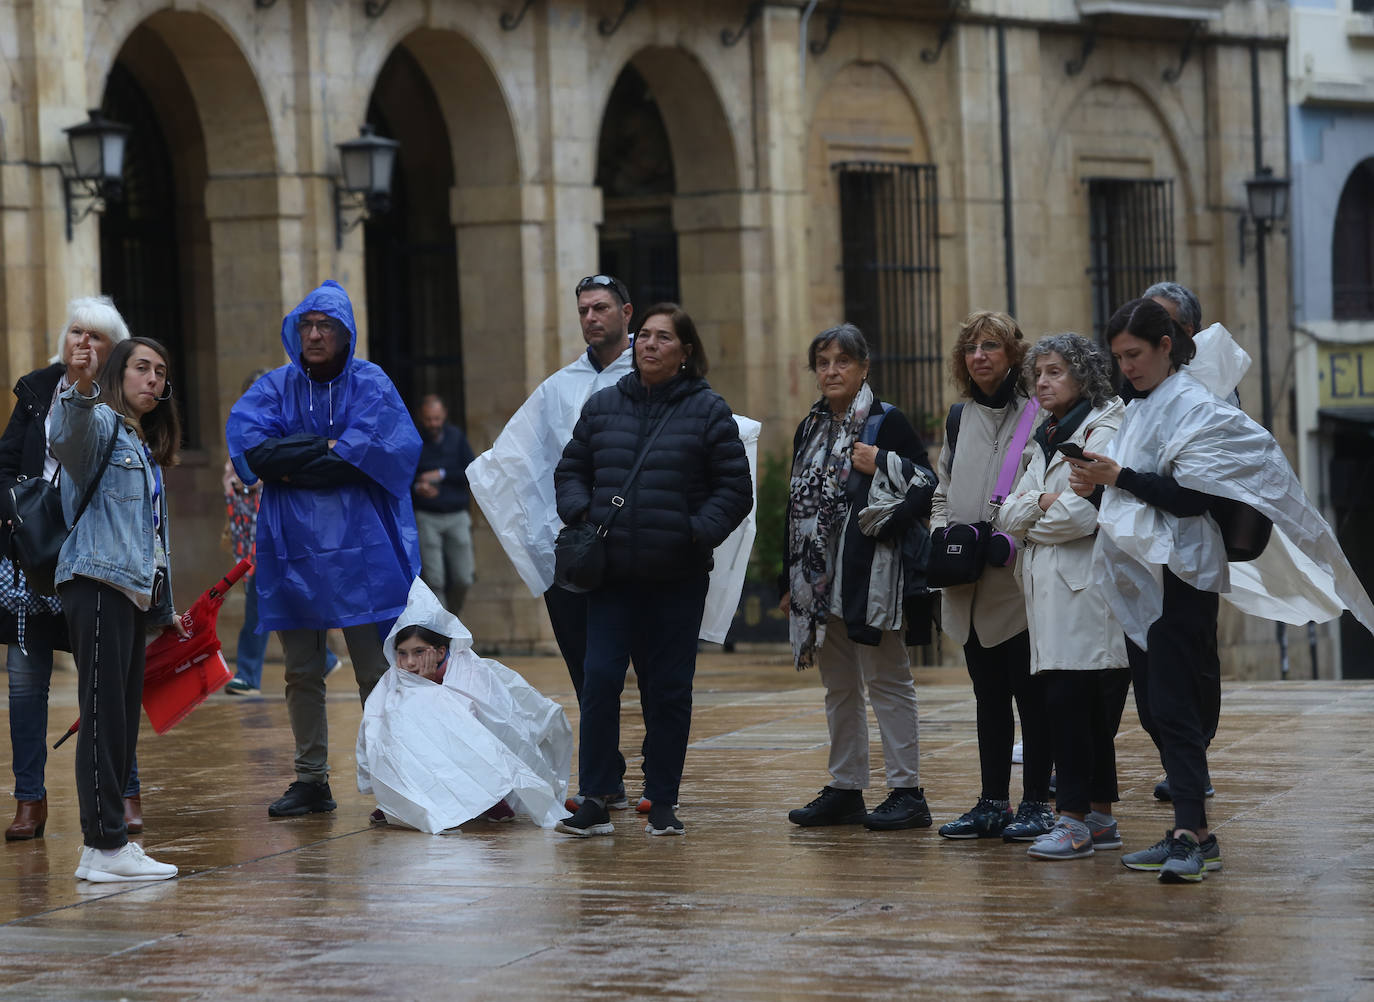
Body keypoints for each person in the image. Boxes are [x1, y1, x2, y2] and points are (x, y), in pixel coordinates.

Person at [1068, 298, 1374, 882]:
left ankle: (1192, 834)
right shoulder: (1141, 408)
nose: (1125, 367)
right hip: (1143, 580)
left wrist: (1118, 477)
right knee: (1158, 709)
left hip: (1181, 578)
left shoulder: (1194, 404)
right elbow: (1139, 498)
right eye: (1117, 358)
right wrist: (1097, 486)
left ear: (1165, 346)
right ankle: (1191, 831)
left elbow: (1193, 497)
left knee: (1177, 705)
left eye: (1134, 354)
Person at [553, 303, 751, 837]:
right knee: (598, 683)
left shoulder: (709, 411)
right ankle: (595, 796)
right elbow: (571, 469)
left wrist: (693, 533)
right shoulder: (601, 407)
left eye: (664, 338)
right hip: (611, 577)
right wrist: (580, 512)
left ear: (686, 352)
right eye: (644, 336)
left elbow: (735, 490)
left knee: (667, 690)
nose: (649, 344)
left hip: (675, 580)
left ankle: (662, 798)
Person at [226, 280, 422, 819]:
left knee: (373, 669)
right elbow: (255, 452)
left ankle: (393, 779)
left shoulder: (371, 383)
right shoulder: (275, 386)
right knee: (301, 669)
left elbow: (377, 454)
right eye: (306, 326)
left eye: (326, 326)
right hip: (291, 547)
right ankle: (311, 779)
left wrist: (297, 458)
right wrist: (329, 447)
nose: (314, 335)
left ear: (345, 333)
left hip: (363, 548)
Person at [466, 274, 640, 810]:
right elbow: (524, 458)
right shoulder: (559, 385)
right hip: (577, 551)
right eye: (584, 309)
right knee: (587, 668)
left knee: (652, 669)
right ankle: (603, 778)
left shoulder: (652, 375)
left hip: (640, 548)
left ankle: (658, 783)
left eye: (602, 308)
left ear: (626, 313)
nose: (592, 317)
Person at [1, 296, 147, 842]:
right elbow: (6, 463)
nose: (82, 344)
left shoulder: (125, 399)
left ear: (114, 352)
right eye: (76, 333)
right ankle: (29, 801)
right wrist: (19, 511)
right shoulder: (37, 391)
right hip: (34, 559)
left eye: (96, 337)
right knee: (25, 681)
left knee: (108, 684)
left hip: (98, 560)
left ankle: (124, 790)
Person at [780, 323, 937, 832]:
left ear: (864, 367)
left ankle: (907, 791)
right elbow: (799, 510)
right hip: (820, 581)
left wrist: (882, 462)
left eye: (842, 361)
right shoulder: (811, 426)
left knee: (889, 681)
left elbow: (928, 483)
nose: (831, 371)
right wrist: (795, 580)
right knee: (839, 687)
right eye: (823, 362)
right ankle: (845, 788)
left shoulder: (886, 421)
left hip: (872, 577)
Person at [992, 333, 1129, 860]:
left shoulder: (1104, 428)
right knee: (1072, 706)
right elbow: (1005, 509)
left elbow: (1083, 514)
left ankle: (1074, 820)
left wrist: (1034, 513)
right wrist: (1039, 506)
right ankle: (1096, 816)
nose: (1042, 382)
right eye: (1038, 374)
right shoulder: (1048, 434)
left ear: (1084, 375)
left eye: (1054, 372)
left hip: (1086, 592)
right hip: (1053, 590)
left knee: (1075, 710)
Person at [54, 335, 183, 882]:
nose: (152, 380)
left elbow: (153, 537)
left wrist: (164, 610)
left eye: (160, 373)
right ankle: (103, 845)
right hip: (98, 581)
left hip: (129, 591)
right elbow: (69, 437)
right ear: (118, 374)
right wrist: (79, 386)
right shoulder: (103, 423)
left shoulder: (141, 444)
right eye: (141, 368)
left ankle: (104, 847)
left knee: (119, 719)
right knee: (104, 715)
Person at [932, 311, 1054, 843]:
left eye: (991, 347)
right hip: (967, 579)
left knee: (1031, 695)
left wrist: (1014, 536)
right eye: (971, 348)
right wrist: (941, 534)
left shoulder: (1039, 416)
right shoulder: (958, 419)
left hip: (1016, 582)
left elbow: (1045, 491)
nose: (979, 356)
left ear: (1012, 355)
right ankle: (990, 801)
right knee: (986, 694)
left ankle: (1035, 803)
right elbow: (941, 488)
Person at [356, 579, 573, 834]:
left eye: (419, 652)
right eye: (402, 653)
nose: (410, 661)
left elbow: (491, 722)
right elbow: (382, 724)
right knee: (396, 723)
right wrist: (418, 690)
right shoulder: (395, 677)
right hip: (421, 753)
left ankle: (490, 795)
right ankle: (405, 795)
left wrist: (428, 691)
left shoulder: (469, 672)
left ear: (439, 651)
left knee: (455, 724)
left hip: (470, 750)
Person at [1140, 280, 1219, 802]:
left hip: (1188, 558)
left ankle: (1191, 803)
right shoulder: (1136, 395)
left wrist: (1117, 478)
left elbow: (1194, 494)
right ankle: (1179, 764)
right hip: (1140, 560)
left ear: (1181, 336)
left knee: (1187, 672)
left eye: (1161, 324)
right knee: (1150, 685)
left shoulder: (1207, 393)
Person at [221, 370, 338, 696]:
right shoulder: (244, 435)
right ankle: (324, 658)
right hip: (249, 537)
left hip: (273, 537)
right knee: (278, 604)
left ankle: (247, 674)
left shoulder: (276, 437)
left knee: (262, 607)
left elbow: (261, 477)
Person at [412, 395, 476, 617]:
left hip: (457, 514)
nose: (433, 424)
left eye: (437, 419)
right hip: (427, 515)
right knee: (435, 579)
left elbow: (472, 472)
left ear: (444, 415)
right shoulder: (414, 440)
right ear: (422, 417)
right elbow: (403, 476)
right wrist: (418, 487)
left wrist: (441, 475)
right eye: (429, 419)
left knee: (464, 577)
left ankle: (452, 619)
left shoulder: (456, 438)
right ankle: (445, 632)